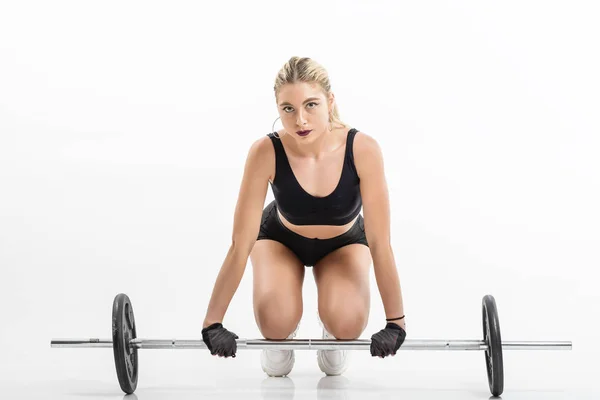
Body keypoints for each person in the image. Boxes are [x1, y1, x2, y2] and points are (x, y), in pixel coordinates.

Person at [201, 56, 406, 377]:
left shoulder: (363, 148)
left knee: (347, 323)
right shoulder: (264, 151)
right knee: (275, 321)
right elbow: (240, 244)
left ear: (330, 101)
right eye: (288, 109)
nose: (300, 120)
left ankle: (334, 337)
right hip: (279, 239)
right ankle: (279, 342)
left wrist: (396, 322)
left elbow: (381, 242)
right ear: (277, 108)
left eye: (311, 105)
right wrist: (213, 321)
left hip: (345, 242)